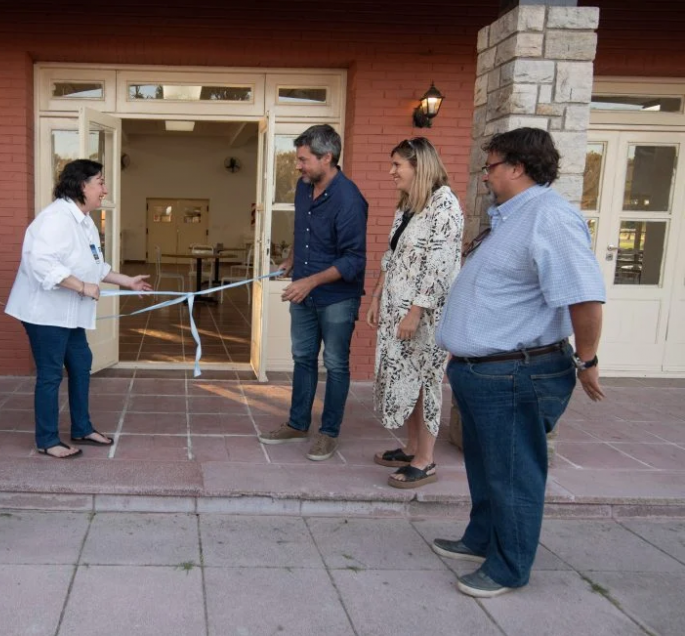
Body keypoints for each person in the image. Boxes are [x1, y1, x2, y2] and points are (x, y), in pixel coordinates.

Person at [434, 127, 606, 598]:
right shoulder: (512, 218)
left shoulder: (549, 217)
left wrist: (588, 359)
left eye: (490, 166)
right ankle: (482, 538)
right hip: (483, 370)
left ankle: (509, 567)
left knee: (512, 472)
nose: (485, 175)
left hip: (515, 371)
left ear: (517, 167)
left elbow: (585, 297)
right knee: (486, 464)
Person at [5, 159, 152, 459]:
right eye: (100, 182)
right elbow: (41, 263)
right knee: (50, 374)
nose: (105, 189)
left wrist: (127, 281)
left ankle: (82, 427)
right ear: (81, 185)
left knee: (82, 364)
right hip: (45, 314)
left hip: (69, 314)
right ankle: (47, 440)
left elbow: (94, 264)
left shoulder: (83, 220)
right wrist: (82, 287)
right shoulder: (56, 218)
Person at [257, 124, 368, 461]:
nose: (299, 166)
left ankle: (329, 432)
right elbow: (302, 230)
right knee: (303, 358)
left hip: (336, 297)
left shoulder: (350, 199)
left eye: (304, 160)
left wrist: (310, 281)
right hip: (304, 291)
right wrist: (292, 259)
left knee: (335, 364)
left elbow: (354, 260)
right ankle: (297, 423)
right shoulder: (304, 189)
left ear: (327, 157)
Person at [366, 137, 463, 488]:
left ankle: (426, 460)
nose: (391, 172)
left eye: (397, 165)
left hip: (424, 317)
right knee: (405, 379)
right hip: (397, 310)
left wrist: (415, 312)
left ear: (418, 166)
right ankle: (411, 447)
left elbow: (440, 266)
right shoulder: (408, 205)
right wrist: (377, 296)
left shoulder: (444, 205)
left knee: (424, 381)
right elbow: (390, 256)